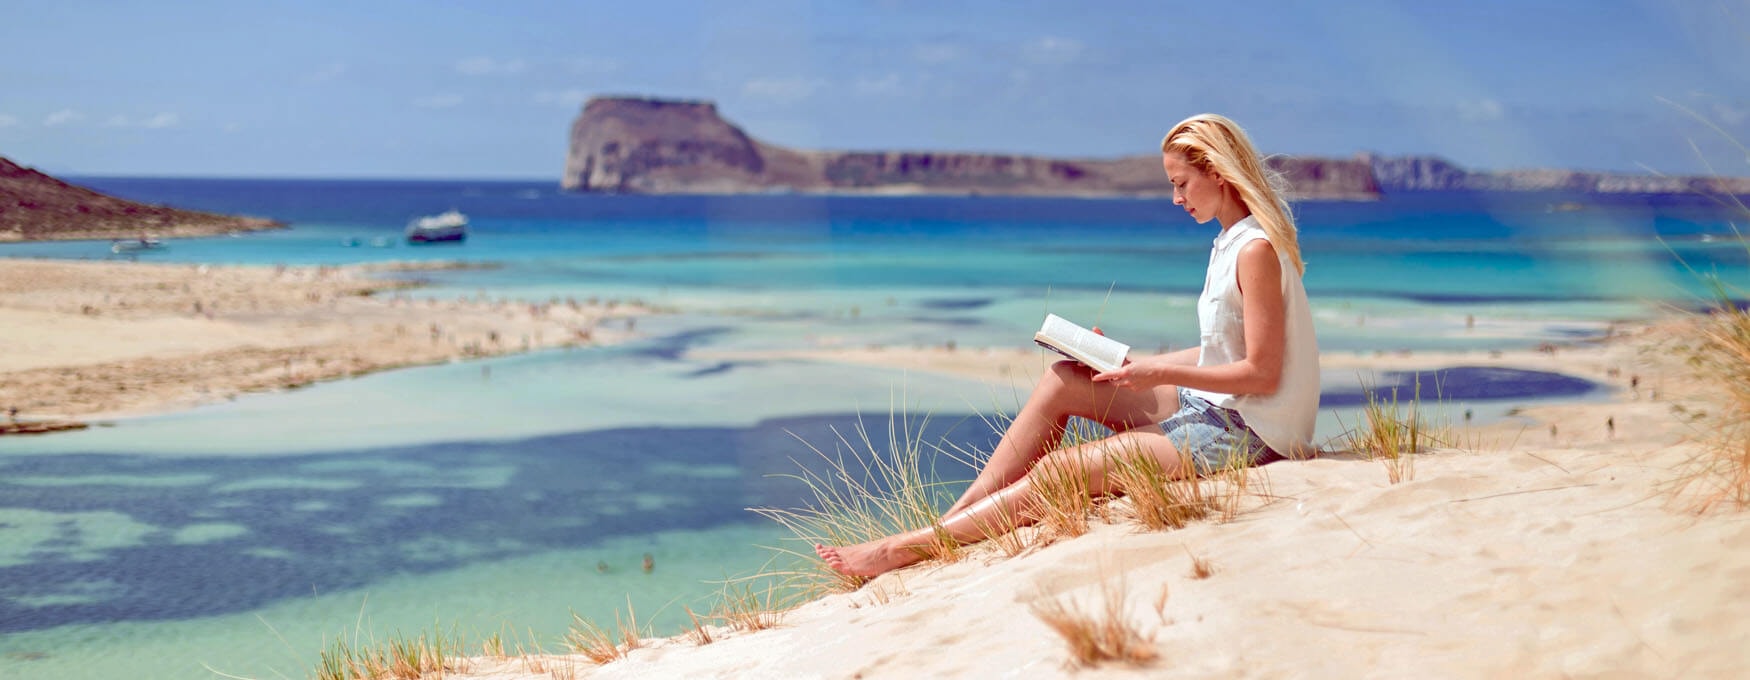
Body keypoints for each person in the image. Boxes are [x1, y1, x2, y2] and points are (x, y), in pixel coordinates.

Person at [816, 114, 1320, 578]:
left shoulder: (1254, 250)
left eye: (1181, 183)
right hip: (1213, 408)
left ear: (1216, 171)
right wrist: (1132, 364)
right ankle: (947, 526)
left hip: (1245, 432)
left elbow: (1261, 373)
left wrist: (1156, 376)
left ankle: (902, 551)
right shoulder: (1230, 240)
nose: (1176, 199)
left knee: (1062, 469)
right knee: (1064, 380)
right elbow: (1223, 349)